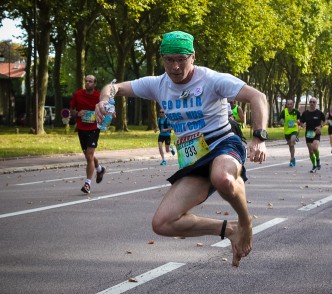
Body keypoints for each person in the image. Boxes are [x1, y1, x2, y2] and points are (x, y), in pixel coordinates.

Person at [95, 31, 267, 267]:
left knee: (223, 178)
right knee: (163, 223)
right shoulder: (158, 84)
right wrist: (105, 100)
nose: (175, 66)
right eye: (169, 60)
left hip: (223, 144)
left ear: (192, 57)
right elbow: (114, 88)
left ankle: (245, 222)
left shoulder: (212, 79)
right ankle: (230, 230)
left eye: (181, 59)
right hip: (194, 158)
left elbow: (258, 97)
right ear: (162, 59)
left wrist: (259, 137)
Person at [70, 74, 106, 194]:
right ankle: (99, 169)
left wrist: (102, 115)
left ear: (94, 84)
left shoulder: (99, 96)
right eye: (86, 81)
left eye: (90, 81)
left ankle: (87, 184)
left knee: (89, 155)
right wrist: (77, 113)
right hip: (81, 128)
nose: (87, 83)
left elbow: (105, 110)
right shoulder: (78, 94)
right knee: (88, 155)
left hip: (94, 128)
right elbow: (72, 110)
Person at [299, 97, 325, 172]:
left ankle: (318, 160)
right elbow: (301, 121)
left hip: (316, 133)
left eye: (314, 102)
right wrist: (302, 125)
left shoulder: (319, 113)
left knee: (314, 147)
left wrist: (320, 126)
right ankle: (314, 166)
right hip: (308, 134)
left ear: (316, 104)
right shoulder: (305, 113)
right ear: (309, 103)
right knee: (310, 151)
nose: (312, 103)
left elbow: (324, 120)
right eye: (311, 102)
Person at [279, 99, 301, 166]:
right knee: (290, 145)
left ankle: (295, 138)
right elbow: (280, 120)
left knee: (292, 143)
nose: (289, 105)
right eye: (288, 104)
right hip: (287, 132)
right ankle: (292, 158)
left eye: (290, 104)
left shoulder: (296, 112)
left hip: (294, 130)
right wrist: (282, 122)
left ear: (293, 104)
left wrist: (299, 122)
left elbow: (300, 120)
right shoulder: (284, 112)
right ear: (286, 105)